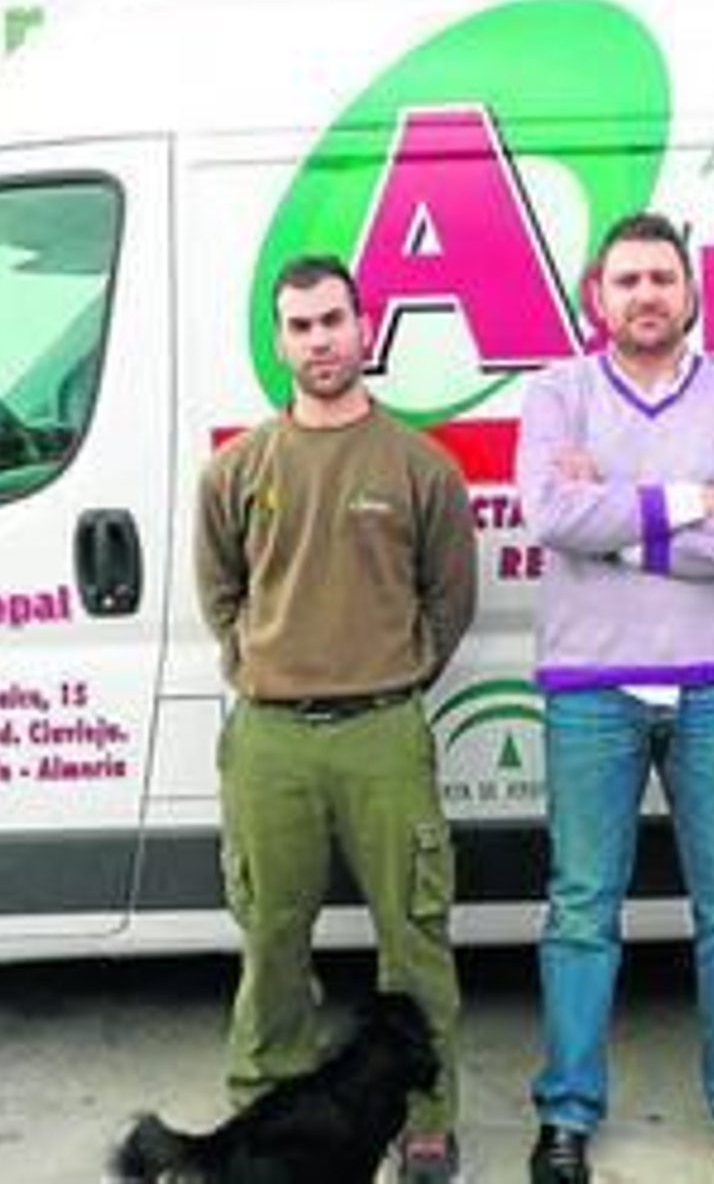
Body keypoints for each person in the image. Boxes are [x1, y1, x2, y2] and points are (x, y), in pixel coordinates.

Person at [515, 211, 714, 1184]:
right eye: (627, 279)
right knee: (581, 910)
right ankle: (566, 1115)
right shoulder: (556, 392)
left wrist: (621, 535)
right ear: (598, 297)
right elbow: (550, 512)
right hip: (591, 689)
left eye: (662, 278)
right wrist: (688, 500)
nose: (646, 294)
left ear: (689, 293)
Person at [194, 253, 478, 1184]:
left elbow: (449, 600)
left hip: (382, 734)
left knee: (414, 933)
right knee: (271, 934)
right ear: (280, 342)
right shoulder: (237, 469)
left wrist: (392, 674)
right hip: (270, 738)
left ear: (365, 328)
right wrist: (266, 667)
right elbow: (221, 594)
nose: (320, 340)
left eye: (333, 320)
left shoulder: (420, 467)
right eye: (301, 325)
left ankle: (425, 1116)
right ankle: (264, 1103)